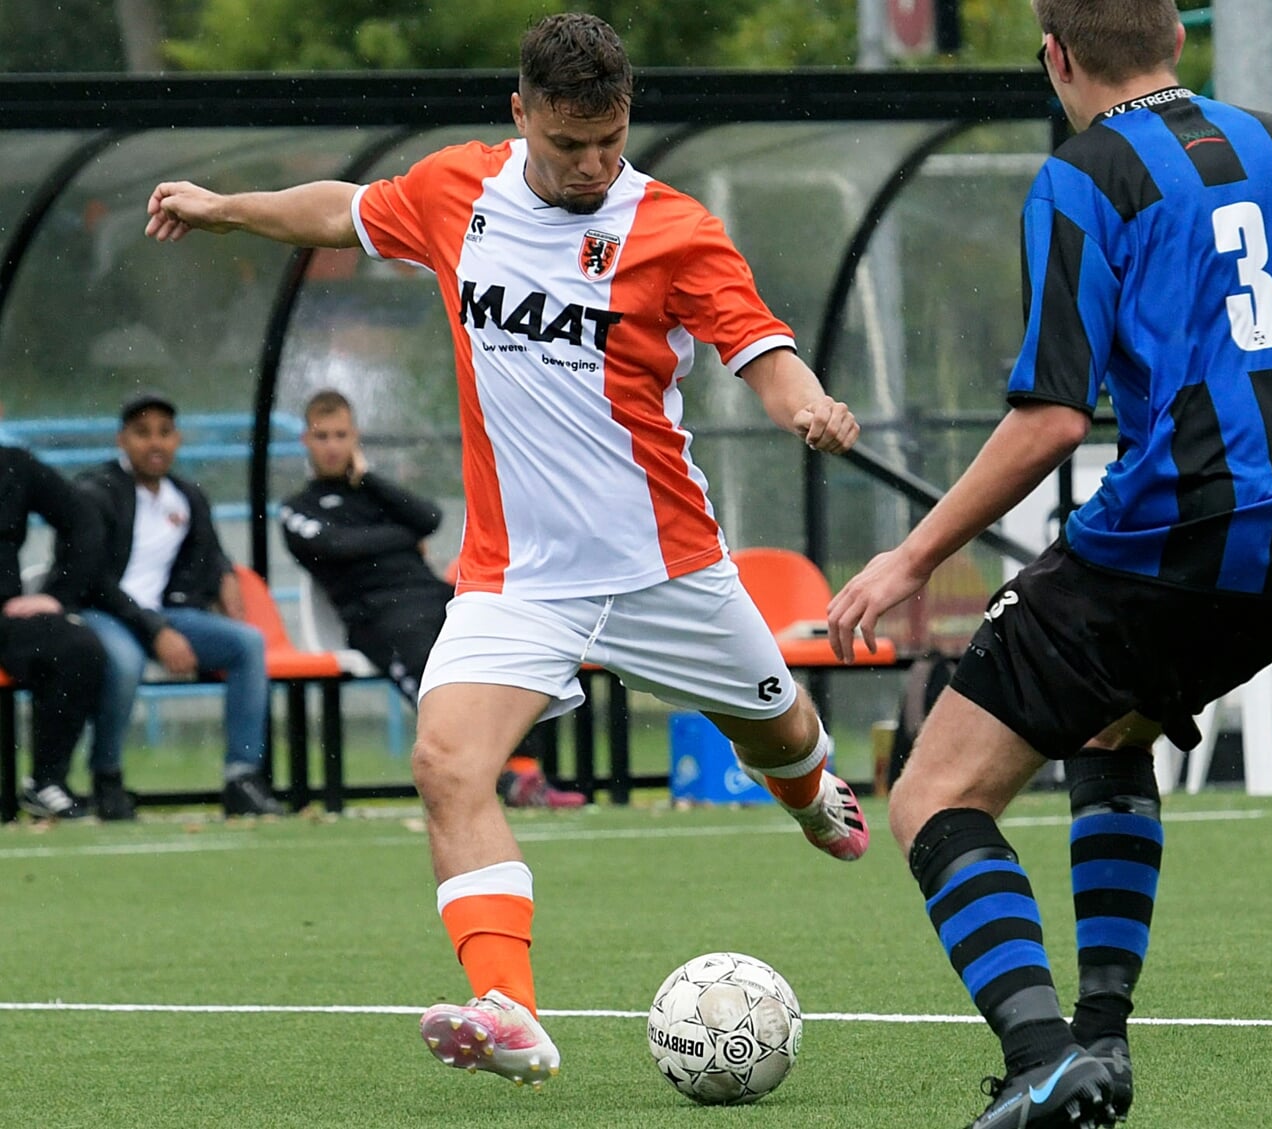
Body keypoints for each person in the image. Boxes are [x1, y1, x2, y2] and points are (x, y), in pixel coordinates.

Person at [147, 12, 869, 1090]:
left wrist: (807, 405)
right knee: (445, 763)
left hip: (666, 563)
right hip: (516, 579)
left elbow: (756, 346)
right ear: (518, 112)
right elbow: (339, 214)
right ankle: (509, 1009)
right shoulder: (455, 192)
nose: (590, 166)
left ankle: (810, 792)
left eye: (610, 142)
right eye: (568, 142)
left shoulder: (673, 226)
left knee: (777, 729)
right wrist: (223, 209)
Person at [826, 2, 1272, 1122]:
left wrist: (911, 557)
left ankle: (1038, 1055)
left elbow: (1050, 421)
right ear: (1177, 39)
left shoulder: (1083, 175)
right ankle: (1099, 1046)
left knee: (932, 791)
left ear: (1056, 56)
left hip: (1179, 530)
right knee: (1107, 726)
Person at [280, 389, 582, 809]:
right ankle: (478, 777)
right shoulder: (298, 508)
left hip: (435, 597)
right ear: (306, 441)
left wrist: (368, 479)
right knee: (434, 672)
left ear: (356, 438)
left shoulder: (374, 492)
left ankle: (524, 773)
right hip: (376, 616)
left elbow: (430, 518)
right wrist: (402, 538)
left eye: (341, 435)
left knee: (513, 645)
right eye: (322, 436)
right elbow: (334, 546)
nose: (332, 446)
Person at [73, 393, 284, 820]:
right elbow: (94, 580)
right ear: (122, 440)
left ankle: (242, 777)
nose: (155, 443)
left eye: (165, 433)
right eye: (143, 433)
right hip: (106, 612)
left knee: (246, 643)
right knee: (126, 663)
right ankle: (106, 776)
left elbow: (210, 552)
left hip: (165, 615)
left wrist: (225, 576)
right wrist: (155, 630)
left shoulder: (187, 497)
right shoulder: (96, 492)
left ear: (178, 440)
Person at [1, 439, 109, 820]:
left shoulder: (14, 465)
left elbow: (83, 521)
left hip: (4, 617)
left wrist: (56, 594)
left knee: (78, 648)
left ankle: (46, 781)